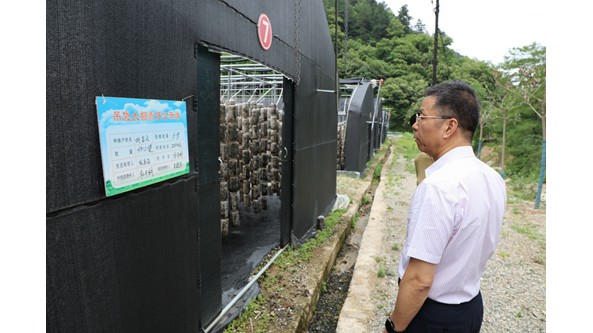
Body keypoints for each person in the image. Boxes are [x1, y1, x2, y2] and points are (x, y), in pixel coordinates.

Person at [383, 81, 506, 333]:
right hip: (470, 308)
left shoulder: (439, 185)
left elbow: (419, 280)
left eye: (421, 116)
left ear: (450, 126)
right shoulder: (492, 177)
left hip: (433, 317)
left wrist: (393, 327)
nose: (415, 124)